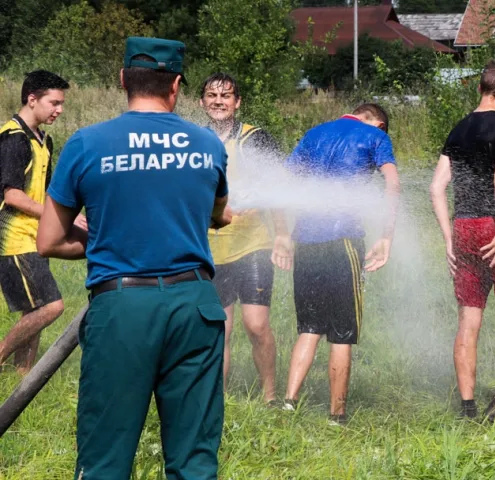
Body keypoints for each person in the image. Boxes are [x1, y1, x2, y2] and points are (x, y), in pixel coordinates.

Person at [37, 37, 231, 478]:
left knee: (105, 457)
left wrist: (107, 238)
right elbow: (218, 215)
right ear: (177, 85)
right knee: (194, 461)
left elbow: (48, 241)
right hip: (195, 309)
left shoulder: (87, 143)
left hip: (122, 309)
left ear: (123, 79)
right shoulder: (207, 144)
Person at [276, 103, 400, 425]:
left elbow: (280, 183)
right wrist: (386, 236)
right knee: (342, 332)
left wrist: (283, 234)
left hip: (305, 239)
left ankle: (288, 403)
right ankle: (337, 416)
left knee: (309, 327)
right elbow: (392, 184)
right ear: (379, 124)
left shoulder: (314, 133)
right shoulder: (375, 136)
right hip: (343, 241)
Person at [430, 60, 495, 421]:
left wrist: (448, 239)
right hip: (493, 228)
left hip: (463, 229)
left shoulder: (458, 130)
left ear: (480, 89)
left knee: (468, 320)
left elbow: (435, 188)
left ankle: (467, 408)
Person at [199, 72, 285, 406]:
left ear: (238, 102)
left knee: (256, 325)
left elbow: (280, 189)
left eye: (226, 96)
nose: (218, 101)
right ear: (202, 102)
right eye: (211, 95)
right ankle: (216, 400)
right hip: (209, 250)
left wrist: (284, 235)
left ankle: (270, 396)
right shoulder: (194, 139)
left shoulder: (255, 139)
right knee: (220, 330)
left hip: (253, 246)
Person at [0, 70, 77, 374]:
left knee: (36, 308)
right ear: (32, 99)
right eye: (54, 102)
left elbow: (41, 193)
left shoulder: (43, 140)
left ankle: (23, 377)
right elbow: (13, 195)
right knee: (51, 307)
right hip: (12, 240)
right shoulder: (13, 139)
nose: (59, 110)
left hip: (33, 237)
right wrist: (57, 216)